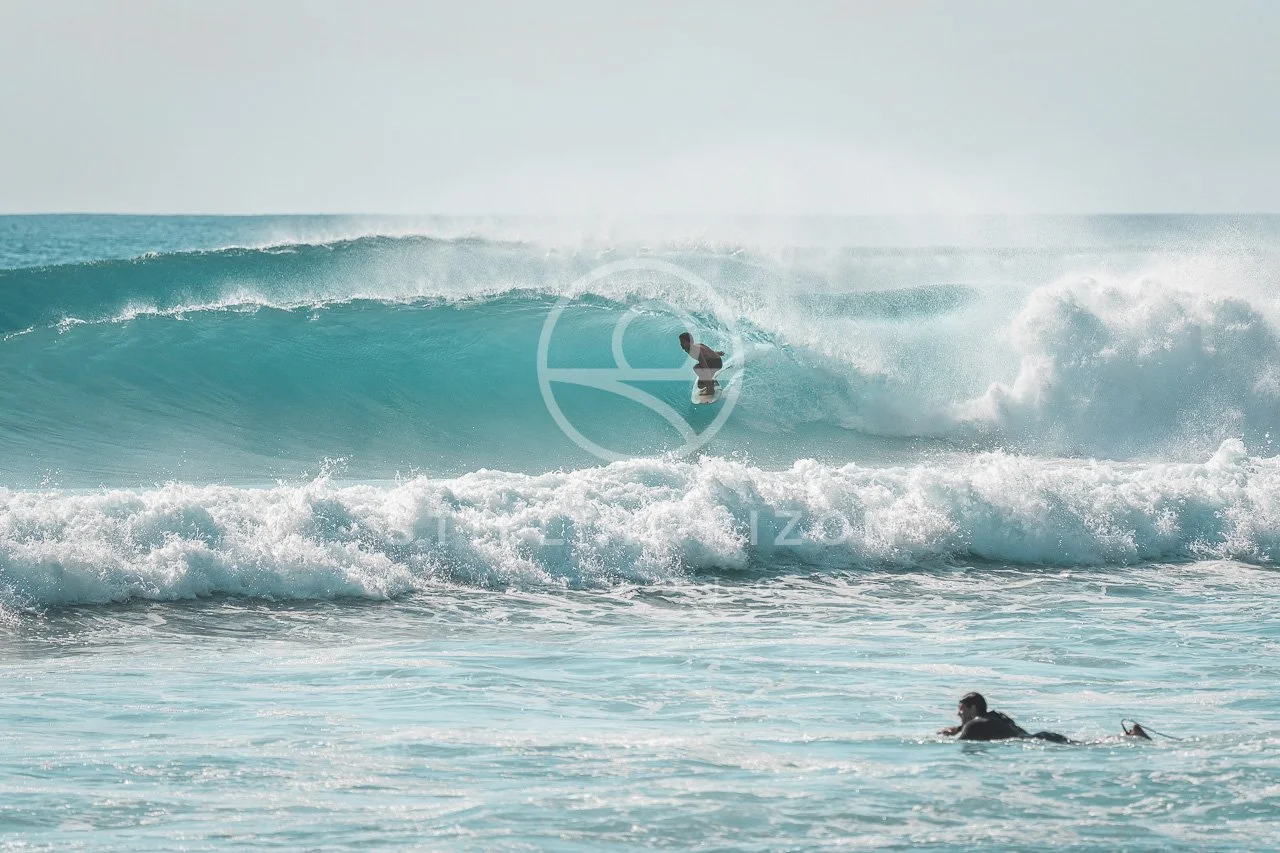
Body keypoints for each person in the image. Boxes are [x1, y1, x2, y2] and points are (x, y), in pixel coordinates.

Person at [938, 692, 1154, 743]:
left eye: (962, 709)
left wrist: (950, 736)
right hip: (1042, 737)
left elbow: (965, 739)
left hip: (1039, 741)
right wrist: (957, 729)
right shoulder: (995, 717)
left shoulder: (975, 725)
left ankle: (1132, 738)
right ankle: (1131, 735)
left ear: (973, 709)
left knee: (1090, 745)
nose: (958, 714)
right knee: (1087, 744)